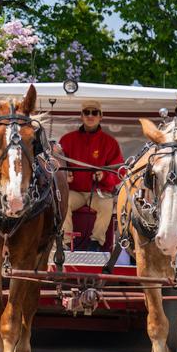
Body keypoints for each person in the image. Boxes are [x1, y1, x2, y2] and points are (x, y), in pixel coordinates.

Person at [58, 98, 123, 250]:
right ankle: (66, 242)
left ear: (101, 116)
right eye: (86, 112)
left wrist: (104, 176)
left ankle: (96, 243)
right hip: (75, 192)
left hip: (98, 192)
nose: (90, 116)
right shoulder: (67, 140)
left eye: (94, 112)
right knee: (62, 200)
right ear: (81, 116)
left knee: (107, 205)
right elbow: (58, 164)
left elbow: (120, 170)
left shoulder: (110, 142)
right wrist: (64, 175)